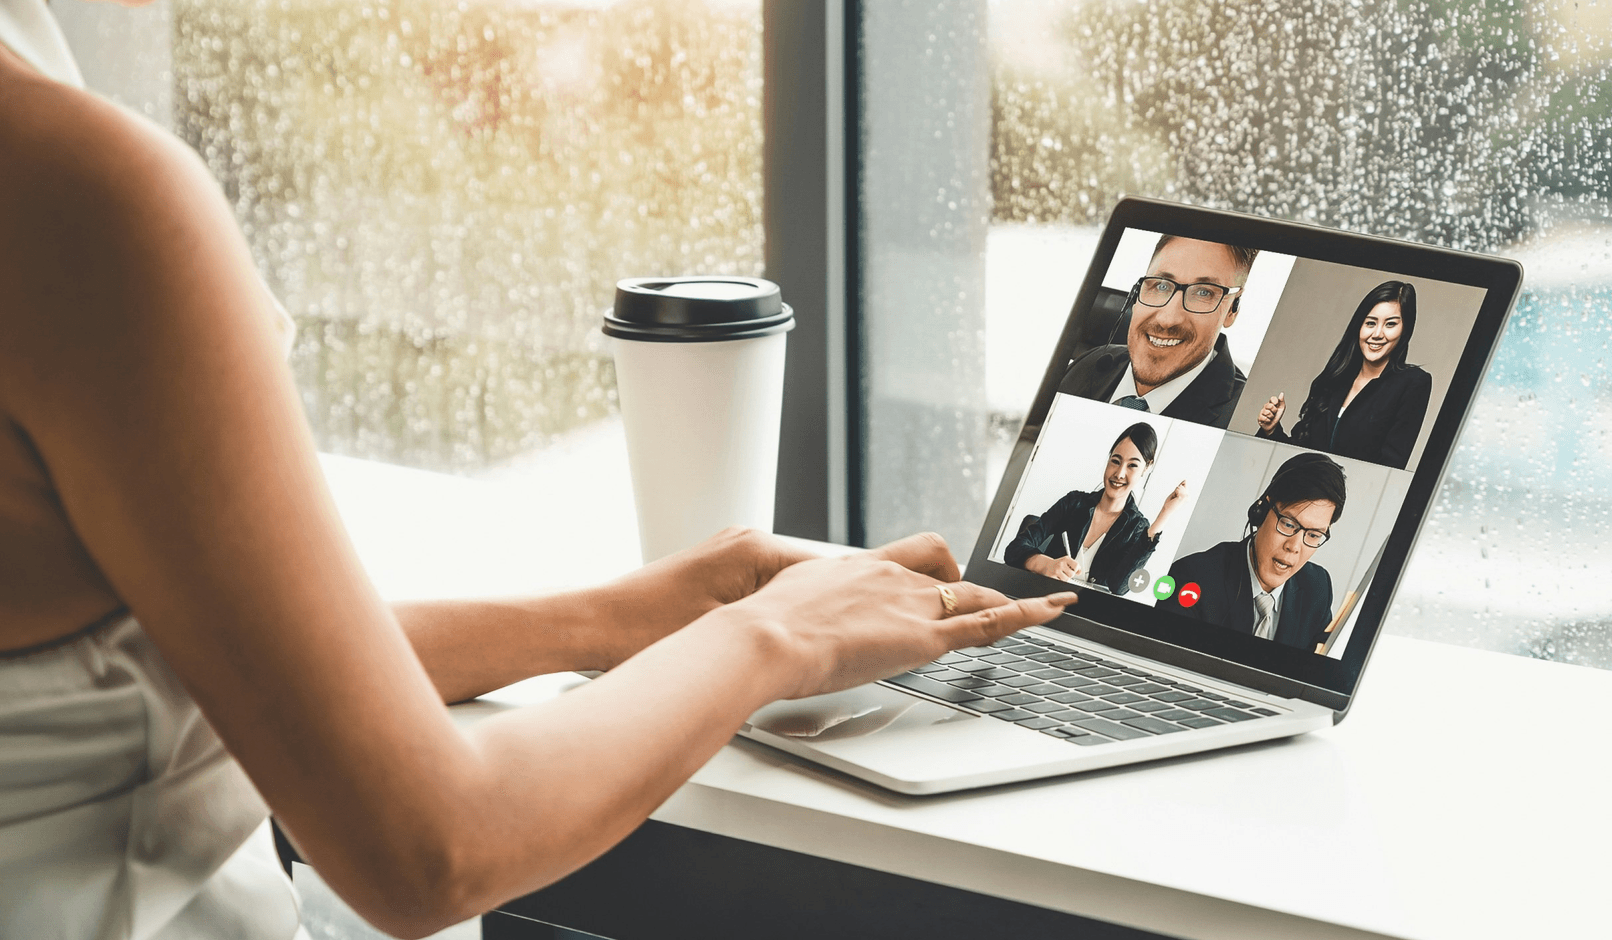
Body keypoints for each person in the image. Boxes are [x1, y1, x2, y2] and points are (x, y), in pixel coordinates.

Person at [0, 7, 1078, 939]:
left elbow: (174, 660)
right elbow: (426, 847)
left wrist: (596, 620)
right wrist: (776, 636)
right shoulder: (79, 195)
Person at [1059, 235, 1259, 430]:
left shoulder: (1245, 422)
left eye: (1203, 292)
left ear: (1233, 309)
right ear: (1136, 293)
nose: (1167, 320)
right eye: (1161, 285)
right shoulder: (1086, 366)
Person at [1166, 453, 1345, 651]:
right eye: (1288, 524)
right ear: (1261, 512)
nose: (1294, 546)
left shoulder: (1317, 587)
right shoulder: (1192, 577)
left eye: (1313, 535)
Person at [1254, 280, 1432, 469]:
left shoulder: (1413, 384)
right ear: (1359, 326)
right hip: (1301, 490)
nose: (1377, 334)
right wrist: (1271, 429)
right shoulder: (1335, 378)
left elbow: (1390, 467)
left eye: (1390, 324)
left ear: (1405, 329)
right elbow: (1300, 454)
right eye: (1370, 323)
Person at [1003, 423, 1189, 594]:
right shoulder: (1073, 502)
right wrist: (1045, 564)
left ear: (1146, 468)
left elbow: (1120, 587)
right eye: (1115, 461)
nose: (1119, 473)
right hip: (1041, 599)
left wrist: (1164, 514)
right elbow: (1014, 549)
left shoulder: (1137, 527)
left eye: (1132, 465)